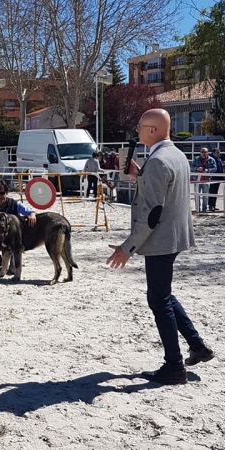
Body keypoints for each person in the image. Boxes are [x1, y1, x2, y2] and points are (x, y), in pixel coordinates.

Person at [106, 108, 214, 385]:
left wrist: (126, 248)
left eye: (141, 126)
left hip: (160, 240)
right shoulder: (175, 155)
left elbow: (152, 214)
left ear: (153, 130)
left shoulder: (157, 161)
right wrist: (139, 176)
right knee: (163, 294)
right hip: (176, 237)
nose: (138, 131)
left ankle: (174, 366)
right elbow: (164, 190)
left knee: (158, 300)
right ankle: (197, 346)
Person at [0, 178, 37, 272]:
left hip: (14, 240)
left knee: (13, 271)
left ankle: (13, 262)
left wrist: (32, 214)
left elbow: (30, 211)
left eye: (2, 193)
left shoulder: (15, 204)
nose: (0, 196)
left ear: (6, 193)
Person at [191, 147, 216, 212]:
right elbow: (192, 167)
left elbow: (215, 168)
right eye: (202, 152)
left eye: (205, 152)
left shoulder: (211, 159)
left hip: (206, 180)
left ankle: (204, 210)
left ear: (207, 152)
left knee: (205, 196)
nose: (203, 153)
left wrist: (208, 170)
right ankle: (197, 209)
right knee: (197, 195)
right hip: (197, 180)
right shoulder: (196, 159)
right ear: (200, 153)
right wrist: (197, 168)